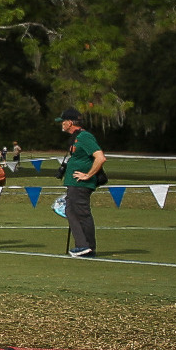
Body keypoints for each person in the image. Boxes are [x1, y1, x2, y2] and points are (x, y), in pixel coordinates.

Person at [57, 108, 106, 257]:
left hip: (81, 184)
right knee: (70, 211)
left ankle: (87, 246)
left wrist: (87, 175)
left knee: (82, 213)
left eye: (63, 122)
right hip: (73, 183)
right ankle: (83, 245)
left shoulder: (84, 137)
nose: (61, 124)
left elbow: (100, 157)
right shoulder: (76, 137)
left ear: (70, 122)